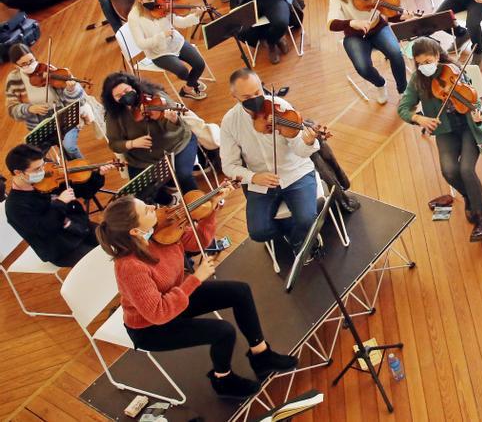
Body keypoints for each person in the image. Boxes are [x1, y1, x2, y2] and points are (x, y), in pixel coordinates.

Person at [96, 195, 297, 397]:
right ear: (135, 231)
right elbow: (159, 313)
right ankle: (223, 380)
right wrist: (197, 277)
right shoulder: (130, 267)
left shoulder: (162, 231)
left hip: (175, 297)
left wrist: (211, 210)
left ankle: (261, 356)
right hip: (151, 327)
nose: (153, 206)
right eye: (146, 210)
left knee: (240, 292)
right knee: (223, 332)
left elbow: (199, 241)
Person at [397, 37, 482, 242]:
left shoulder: (455, 71)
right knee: (449, 170)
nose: (424, 67)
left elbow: (472, 100)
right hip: (446, 130)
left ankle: (481, 221)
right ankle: (469, 196)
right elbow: (402, 108)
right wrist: (419, 118)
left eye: (428, 62)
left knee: (466, 170)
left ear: (437, 56)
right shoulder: (417, 80)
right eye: (420, 63)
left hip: (468, 126)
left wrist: (476, 117)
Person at [220, 68, 320, 261]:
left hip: (295, 172)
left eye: (258, 92)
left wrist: (307, 142)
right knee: (258, 232)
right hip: (261, 180)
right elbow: (229, 166)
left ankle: (299, 241)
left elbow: (299, 149)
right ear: (234, 96)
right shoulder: (230, 122)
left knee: (307, 218)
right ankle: (296, 233)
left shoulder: (280, 107)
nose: (256, 99)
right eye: (247, 96)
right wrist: (254, 177)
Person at [4, 143, 109, 267]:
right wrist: (60, 203)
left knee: (115, 242)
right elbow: (43, 230)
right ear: (18, 172)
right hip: (61, 247)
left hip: (80, 226)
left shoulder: (49, 178)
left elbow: (84, 192)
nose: (43, 171)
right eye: (37, 169)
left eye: (42, 165)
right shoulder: (15, 207)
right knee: (100, 263)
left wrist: (98, 176)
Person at [102, 72, 201, 201]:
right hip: (143, 160)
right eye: (119, 96)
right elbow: (114, 144)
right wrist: (132, 143)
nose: (125, 96)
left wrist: (172, 119)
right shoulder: (114, 116)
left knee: (184, 176)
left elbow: (174, 129)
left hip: (177, 145)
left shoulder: (156, 97)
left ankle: (199, 205)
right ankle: (170, 201)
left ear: (133, 86)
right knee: (141, 191)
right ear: (112, 99)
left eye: (127, 91)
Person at [327, 0, 410, 104]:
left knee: (396, 53)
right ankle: (380, 84)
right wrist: (351, 23)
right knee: (362, 68)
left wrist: (400, 16)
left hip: (378, 28)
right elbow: (331, 24)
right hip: (355, 36)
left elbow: (386, 11)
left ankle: (403, 89)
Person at [5, 44, 97, 160]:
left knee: (69, 147)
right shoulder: (13, 80)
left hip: (63, 117)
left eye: (31, 60)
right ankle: (57, 173)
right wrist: (29, 109)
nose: (29, 65)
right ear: (15, 66)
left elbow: (79, 99)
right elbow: (12, 110)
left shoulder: (48, 70)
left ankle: (87, 172)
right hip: (38, 125)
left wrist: (71, 90)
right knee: (35, 157)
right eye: (24, 64)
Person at [125, 0, 208, 101]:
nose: (154, 3)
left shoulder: (162, 4)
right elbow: (141, 43)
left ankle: (188, 87)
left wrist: (196, 15)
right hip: (159, 52)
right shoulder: (134, 17)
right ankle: (192, 86)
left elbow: (180, 22)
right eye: (149, 1)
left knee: (200, 64)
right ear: (139, 0)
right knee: (182, 70)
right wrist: (161, 36)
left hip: (176, 42)